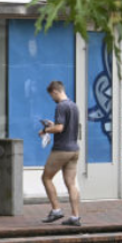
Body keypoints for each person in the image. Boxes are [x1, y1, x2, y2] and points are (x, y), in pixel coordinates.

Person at [39, 80, 83, 226]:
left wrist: (45, 130)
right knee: (71, 183)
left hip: (62, 149)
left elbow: (59, 129)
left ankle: (56, 210)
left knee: (46, 178)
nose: (52, 98)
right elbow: (64, 125)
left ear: (55, 91)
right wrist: (53, 125)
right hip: (74, 150)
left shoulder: (61, 106)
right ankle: (75, 217)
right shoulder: (73, 105)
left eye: (52, 95)